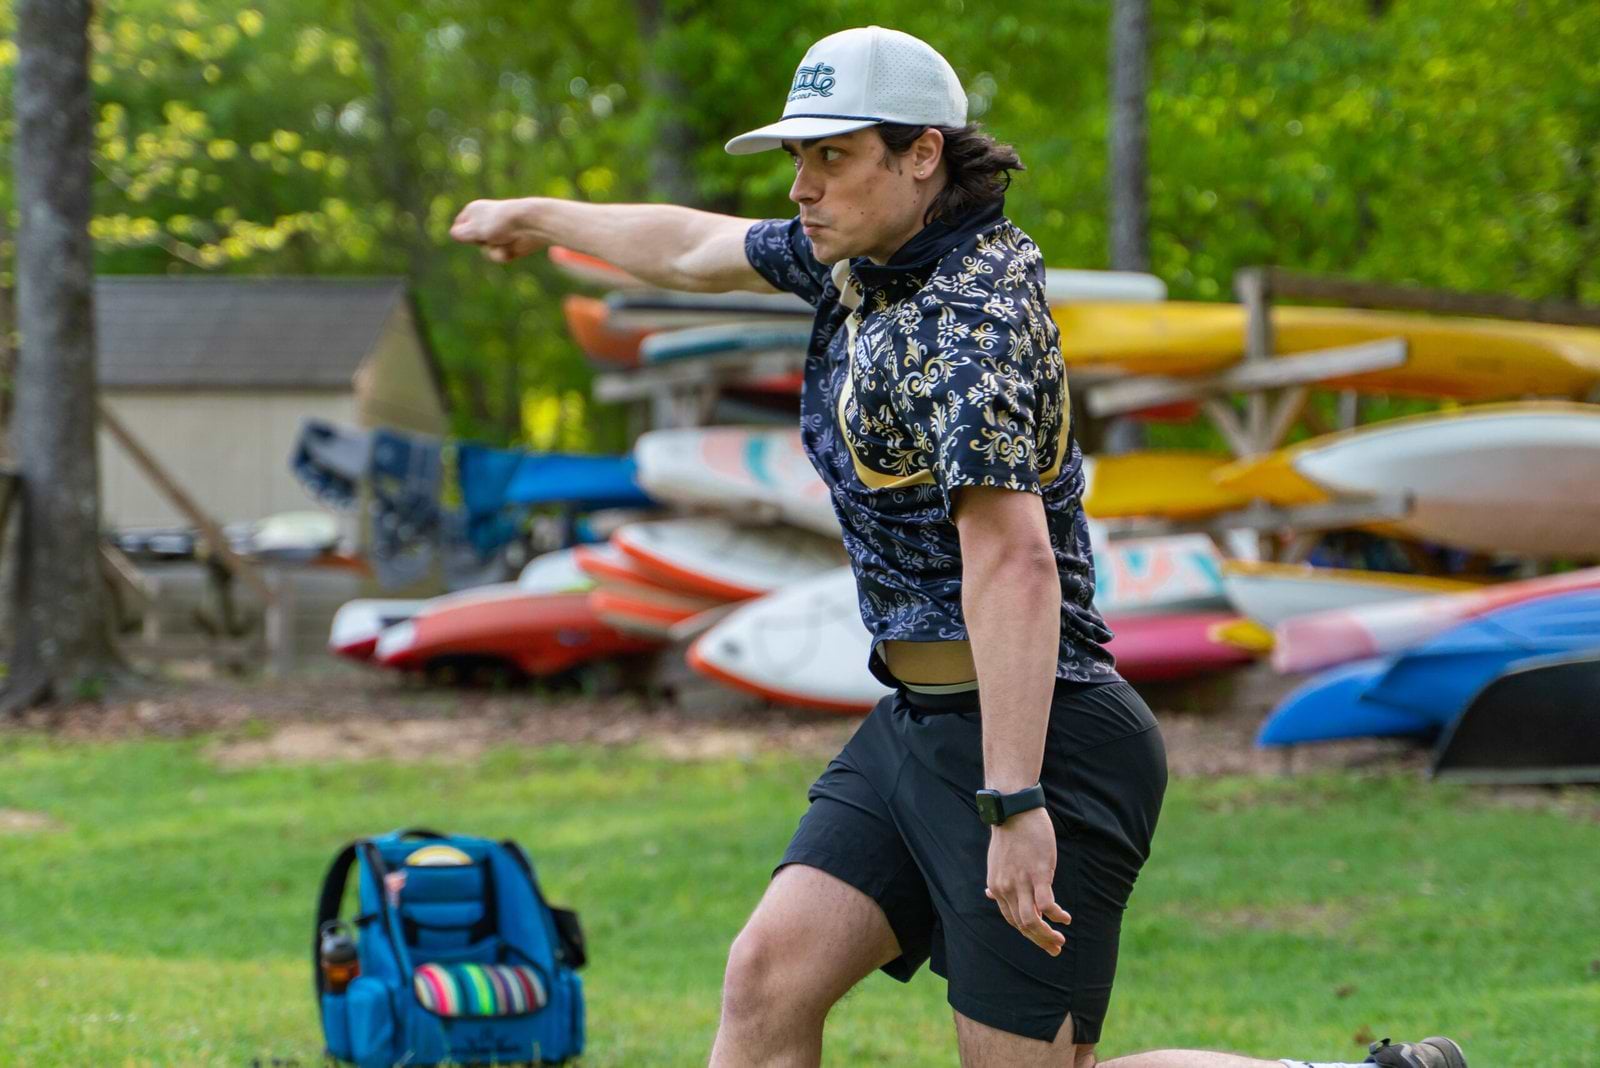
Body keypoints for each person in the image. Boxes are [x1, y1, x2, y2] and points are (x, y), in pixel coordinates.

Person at [449, 25, 1468, 1068]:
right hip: (921, 720)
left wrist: (1015, 802)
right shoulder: (867, 261)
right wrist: (537, 215)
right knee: (765, 983)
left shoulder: (966, 322)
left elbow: (1014, 563)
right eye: (798, 157)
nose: (802, 186)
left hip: (1044, 740)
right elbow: (690, 249)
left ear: (922, 154)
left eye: (832, 155)